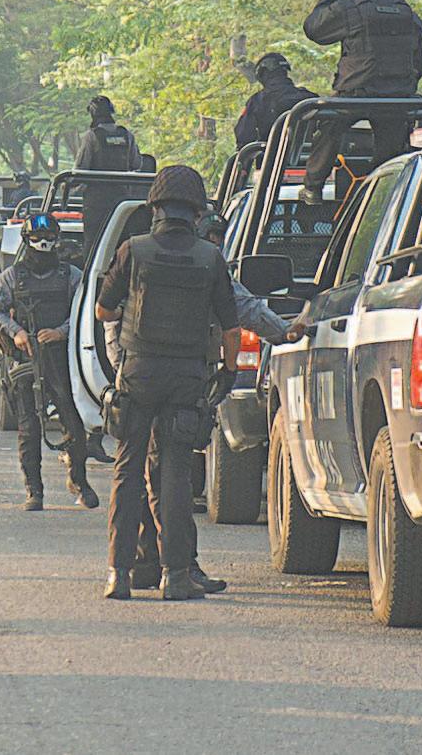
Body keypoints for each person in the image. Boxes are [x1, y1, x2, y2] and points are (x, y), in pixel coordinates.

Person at [125, 211, 299, 593]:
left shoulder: (142, 257)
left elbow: (109, 317)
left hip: (146, 378)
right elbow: (242, 313)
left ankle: (146, 564)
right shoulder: (201, 263)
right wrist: (284, 333)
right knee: (170, 476)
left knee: (150, 472)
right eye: (213, 239)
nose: (216, 247)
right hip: (179, 381)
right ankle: (174, 566)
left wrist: (122, 372)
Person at [96, 165, 240, 601]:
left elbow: (103, 310)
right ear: (196, 212)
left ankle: (119, 574)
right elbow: (231, 328)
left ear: (155, 207)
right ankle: (175, 576)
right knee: (175, 474)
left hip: (138, 373)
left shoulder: (133, 250)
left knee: (127, 469)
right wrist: (228, 371)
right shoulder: (210, 258)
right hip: (186, 378)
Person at [0, 214, 99, 510]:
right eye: (37, 238)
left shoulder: (70, 275)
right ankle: (34, 490)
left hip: (63, 361)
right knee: (28, 429)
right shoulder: (12, 276)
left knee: (74, 424)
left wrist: (61, 332)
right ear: (27, 241)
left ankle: (79, 481)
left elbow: (85, 313)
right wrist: (17, 332)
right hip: (27, 361)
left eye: (49, 238)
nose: (43, 243)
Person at [299, 0, 422, 205]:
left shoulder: (350, 8)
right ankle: (384, 196)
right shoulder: (405, 11)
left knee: (328, 125)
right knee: (391, 156)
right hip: (399, 99)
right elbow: (418, 64)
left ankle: (313, 188)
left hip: (355, 95)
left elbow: (313, 28)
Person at [76, 96, 143, 260]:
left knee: (92, 247)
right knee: (121, 245)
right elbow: (136, 163)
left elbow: (80, 170)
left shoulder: (91, 136)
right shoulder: (127, 135)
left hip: (96, 204)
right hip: (122, 202)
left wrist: (70, 188)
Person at [233, 53, 318, 150]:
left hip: (272, 158)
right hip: (314, 157)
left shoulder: (257, 101)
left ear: (261, 74)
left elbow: (243, 136)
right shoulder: (310, 98)